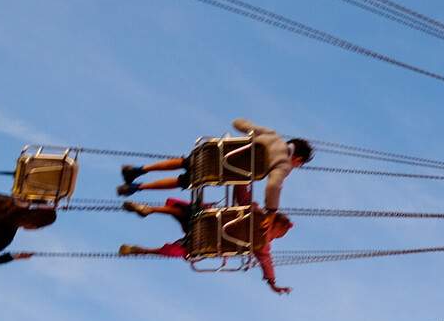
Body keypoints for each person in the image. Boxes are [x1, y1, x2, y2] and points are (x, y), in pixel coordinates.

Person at [118, 188, 292, 295]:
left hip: (206, 220)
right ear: (277, 226)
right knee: (179, 250)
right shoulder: (262, 245)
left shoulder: (255, 212)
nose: (276, 237)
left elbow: (241, 193)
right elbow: (266, 264)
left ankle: (151, 210)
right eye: (279, 234)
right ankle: (142, 250)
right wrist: (272, 283)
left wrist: (242, 176)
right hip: (205, 242)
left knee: (184, 212)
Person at [118, 118, 312, 212]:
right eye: (299, 165)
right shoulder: (283, 165)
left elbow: (238, 123)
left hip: (215, 152)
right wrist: (271, 210)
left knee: (185, 162)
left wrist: (248, 132)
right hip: (220, 173)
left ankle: (139, 170)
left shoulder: (272, 134)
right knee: (183, 181)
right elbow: (272, 185)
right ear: (298, 159)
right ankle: (136, 188)